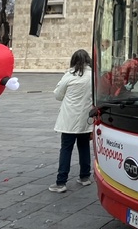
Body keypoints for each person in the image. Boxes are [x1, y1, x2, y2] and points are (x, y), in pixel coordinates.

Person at [49, 49, 94, 193]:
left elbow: (57, 95)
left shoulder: (69, 75)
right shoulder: (93, 76)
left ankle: (61, 182)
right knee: (84, 147)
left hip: (69, 119)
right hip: (85, 119)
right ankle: (85, 176)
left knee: (66, 149)